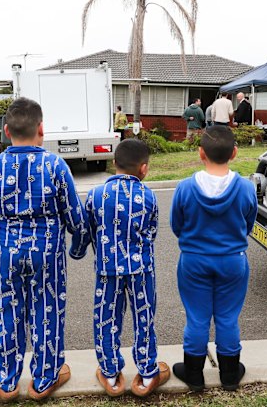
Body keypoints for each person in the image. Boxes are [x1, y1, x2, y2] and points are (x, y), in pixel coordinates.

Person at [0, 97, 90, 401]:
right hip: (47, 254)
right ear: (41, 129)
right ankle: (44, 379)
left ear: (6, 130)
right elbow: (75, 215)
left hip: (5, 253)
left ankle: (6, 380)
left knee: (8, 313)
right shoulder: (56, 165)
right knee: (48, 312)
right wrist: (79, 247)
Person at [170, 125, 257, 392]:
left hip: (194, 261)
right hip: (232, 260)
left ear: (200, 153)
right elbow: (248, 223)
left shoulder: (185, 188)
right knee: (228, 317)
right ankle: (230, 374)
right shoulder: (245, 188)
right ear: (234, 153)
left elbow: (177, 226)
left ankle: (194, 374)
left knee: (197, 317)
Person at [85, 138, 170, 398]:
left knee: (106, 319)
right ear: (143, 169)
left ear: (114, 163)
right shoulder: (149, 196)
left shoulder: (96, 195)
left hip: (107, 270)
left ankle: (110, 374)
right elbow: (152, 232)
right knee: (144, 318)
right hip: (141, 269)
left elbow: (90, 229)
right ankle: (146, 373)